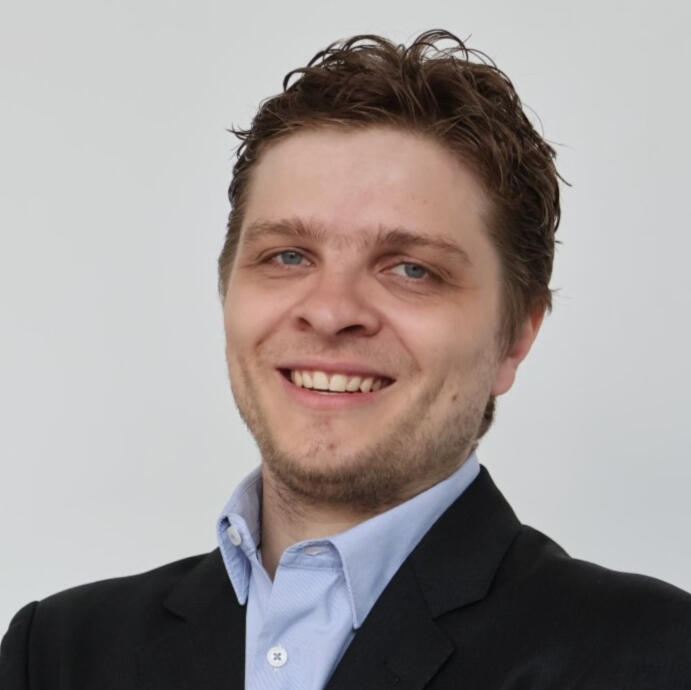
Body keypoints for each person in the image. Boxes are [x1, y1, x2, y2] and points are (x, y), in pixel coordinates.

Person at [1, 29, 690, 690]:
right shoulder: (57, 654)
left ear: (515, 337)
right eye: (288, 256)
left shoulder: (652, 657)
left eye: (412, 269)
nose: (331, 311)